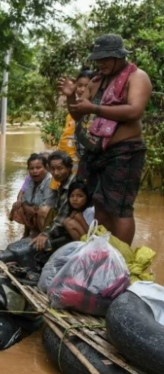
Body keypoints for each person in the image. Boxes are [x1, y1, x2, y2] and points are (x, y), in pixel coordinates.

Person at [58, 34, 151, 245]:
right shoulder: (96, 81)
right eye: (98, 59)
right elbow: (78, 114)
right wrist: (71, 96)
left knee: (121, 208)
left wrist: (94, 108)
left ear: (120, 56)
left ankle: (122, 259)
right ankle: (103, 252)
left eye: (106, 58)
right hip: (97, 151)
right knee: (100, 203)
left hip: (125, 151)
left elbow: (134, 111)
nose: (101, 63)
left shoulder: (137, 77)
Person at [31, 151, 76, 251]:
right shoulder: (63, 183)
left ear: (69, 168)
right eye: (53, 169)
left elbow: (62, 216)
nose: (56, 173)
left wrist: (45, 234)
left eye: (60, 168)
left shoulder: (73, 186)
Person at [58, 67, 96, 175]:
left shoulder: (98, 109)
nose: (82, 89)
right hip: (77, 162)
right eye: (79, 86)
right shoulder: (73, 112)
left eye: (87, 86)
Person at [10, 153, 53, 237]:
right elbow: (24, 196)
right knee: (17, 206)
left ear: (46, 168)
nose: (35, 171)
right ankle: (27, 233)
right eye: (31, 168)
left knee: (40, 211)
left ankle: (43, 235)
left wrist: (29, 208)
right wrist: (25, 206)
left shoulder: (49, 180)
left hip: (45, 213)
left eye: (38, 168)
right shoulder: (30, 178)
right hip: (33, 207)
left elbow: (45, 204)